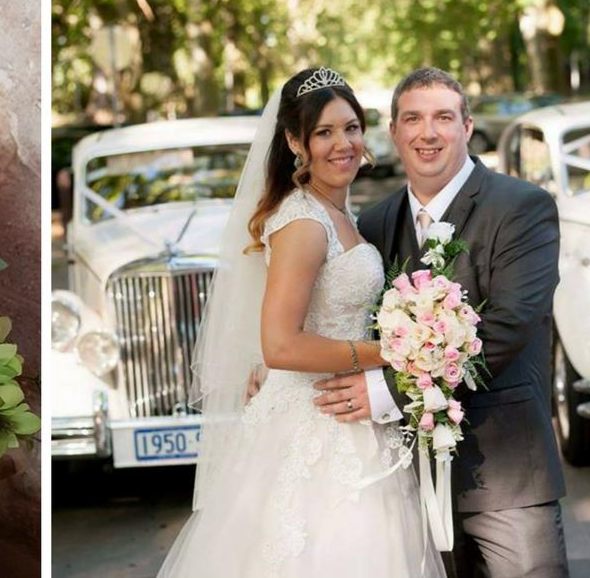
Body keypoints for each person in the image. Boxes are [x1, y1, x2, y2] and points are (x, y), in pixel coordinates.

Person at [159, 67, 445, 577]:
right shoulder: (305, 222)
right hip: (313, 427)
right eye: (324, 132)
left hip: (351, 420)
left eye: (351, 128)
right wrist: (394, 350)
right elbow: (282, 347)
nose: (344, 144)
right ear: (295, 141)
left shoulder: (338, 213)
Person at [325, 67, 567, 577]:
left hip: (506, 475)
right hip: (404, 480)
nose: (426, 132)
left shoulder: (523, 207)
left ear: (467, 127)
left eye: (442, 118)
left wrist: (391, 389)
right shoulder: (373, 222)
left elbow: (508, 325)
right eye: (412, 118)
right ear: (392, 132)